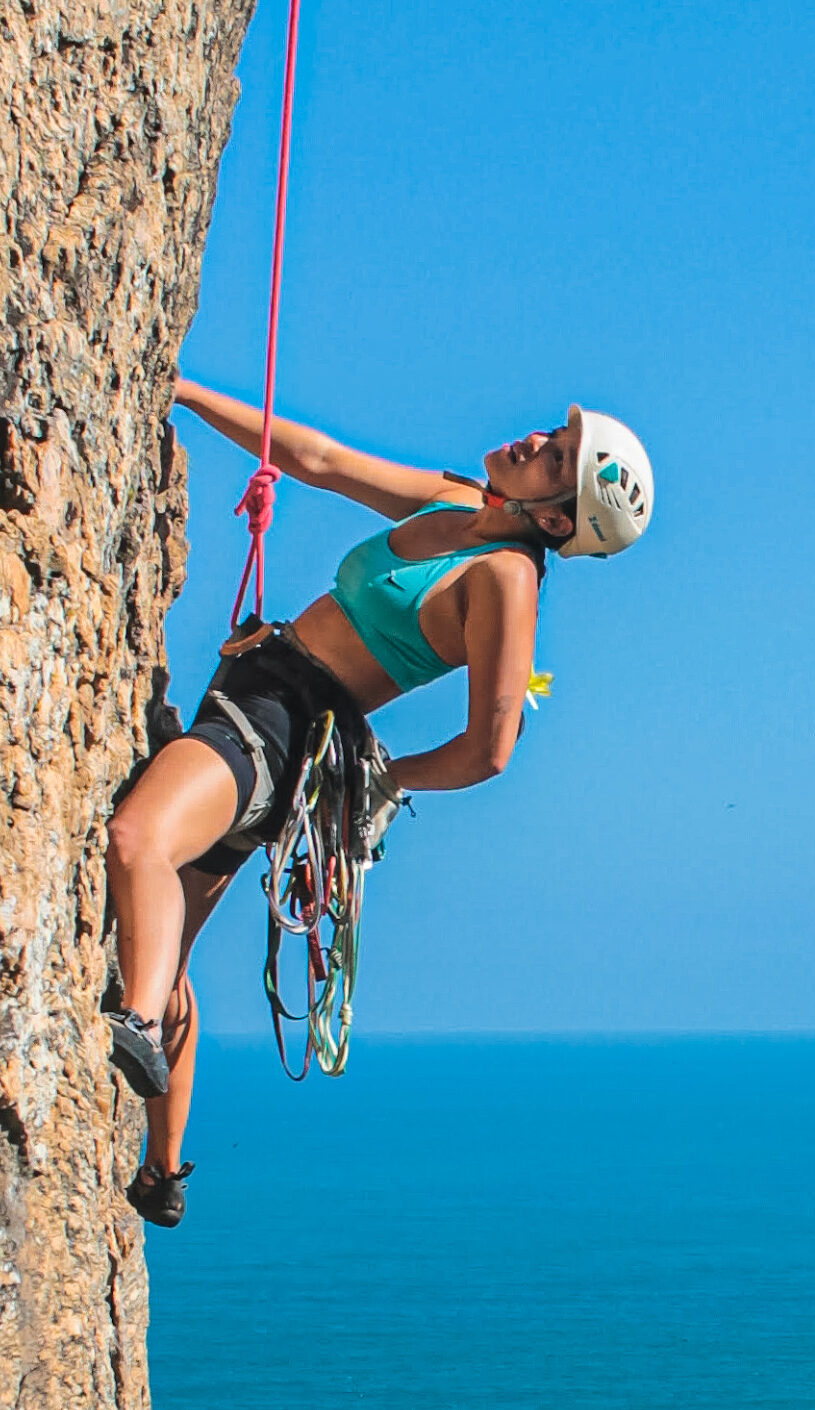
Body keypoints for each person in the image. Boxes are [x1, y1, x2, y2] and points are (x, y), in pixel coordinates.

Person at [103, 377, 654, 1226]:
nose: (535, 439)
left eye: (556, 457)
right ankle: (163, 1170)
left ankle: (135, 1022)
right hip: (258, 696)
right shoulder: (457, 499)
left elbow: (491, 749)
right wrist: (178, 391)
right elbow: (317, 459)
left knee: (138, 839)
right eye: (553, 434)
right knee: (164, 938)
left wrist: (387, 780)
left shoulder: (506, 579)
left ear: (554, 519)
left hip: (279, 730)